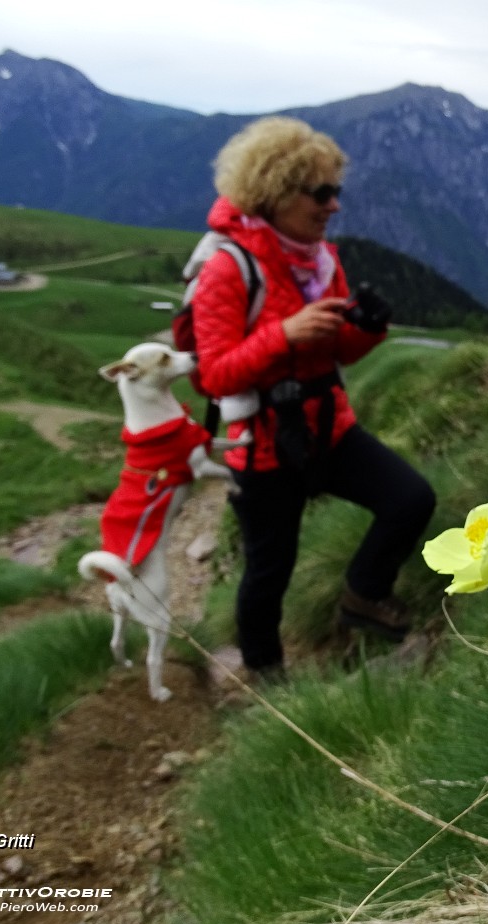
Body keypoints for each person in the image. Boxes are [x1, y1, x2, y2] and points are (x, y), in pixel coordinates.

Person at [190, 116, 436, 681]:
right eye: (320, 193)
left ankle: (363, 595)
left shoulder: (321, 261)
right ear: (275, 193)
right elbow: (217, 375)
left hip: (328, 429)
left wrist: (367, 328)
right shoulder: (228, 270)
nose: (334, 206)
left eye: (336, 192)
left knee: (410, 499)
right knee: (268, 572)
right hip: (265, 447)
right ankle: (265, 679)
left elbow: (340, 354)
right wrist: (285, 334)